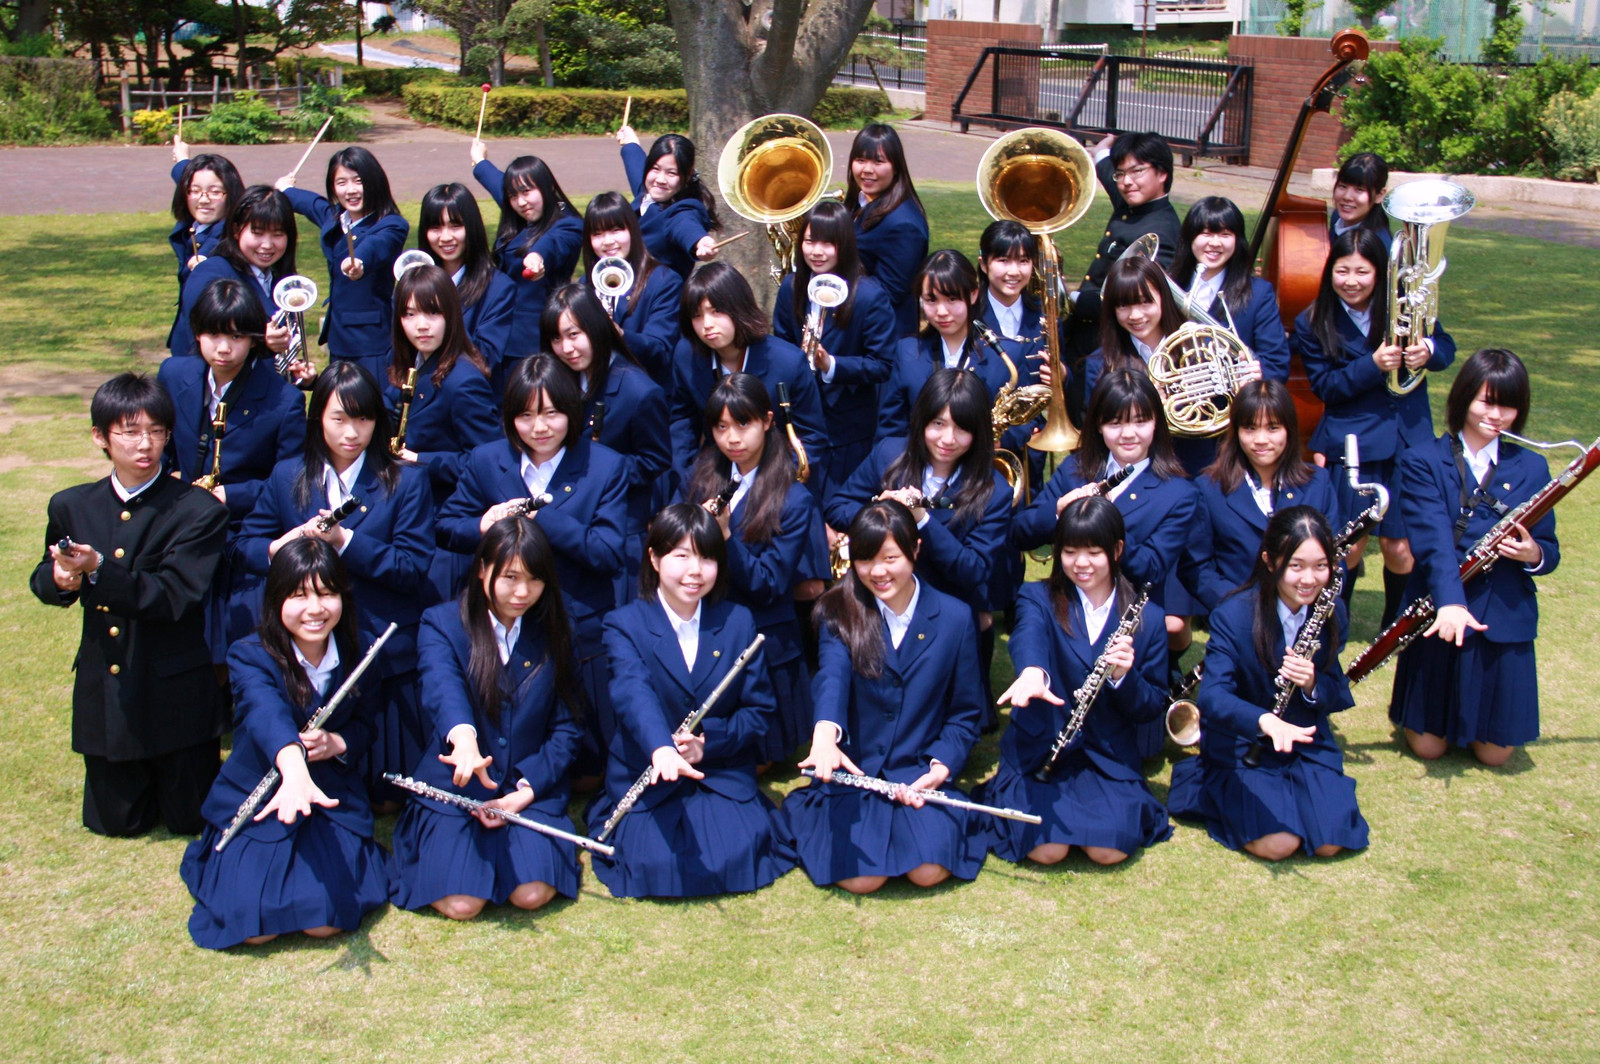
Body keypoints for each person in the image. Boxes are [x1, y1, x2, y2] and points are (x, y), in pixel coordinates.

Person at [30, 373, 229, 837]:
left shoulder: (199, 510)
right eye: (130, 432)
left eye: (157, 431)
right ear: (100, 436)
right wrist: (59, 579)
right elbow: (45, 576)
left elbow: (174, 595)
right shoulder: (71, 505)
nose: (146, 444)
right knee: (116, 824)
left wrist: (98, 568)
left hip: (175, 692)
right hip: (108, 688)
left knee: (189, 820)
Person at [236, 363, 435, 804]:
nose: (352, 432)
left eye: (363, 419)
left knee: (389, 795)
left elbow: (412, 568)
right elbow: (245, 546)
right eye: (338, 418)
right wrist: (279, 548)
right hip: (306, 648)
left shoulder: (406, 481)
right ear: (317, 419)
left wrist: (345, 540)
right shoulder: (287, 477)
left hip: (382, 651)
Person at [178, 539, 390, 948]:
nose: (315, 609)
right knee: (253, 928)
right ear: (275, 599)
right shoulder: (248, 654)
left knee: (327, 920)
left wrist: (338, 742)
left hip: (329, 793)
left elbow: (368, 726)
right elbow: (265, 714)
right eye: (299, 596)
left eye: (327, 593)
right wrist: (293, 770)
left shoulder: (361, 649)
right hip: (262, 790)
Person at [589, 504, 795, 898]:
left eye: (707, 557)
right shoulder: (624, 624)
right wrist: (661, 748)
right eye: (681, 555)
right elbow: (633, 693)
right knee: (656, 863)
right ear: (653, 557)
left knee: (735, 854)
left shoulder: (738, 621)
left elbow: (758, 712)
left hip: (717, 771)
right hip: (649, 771)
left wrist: (708, 744)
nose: (695, 570)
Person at [390, 517, 586, 918]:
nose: (522, 592)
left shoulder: (557, 630)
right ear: (482, 570)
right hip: (455, 788)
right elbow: (442, 689)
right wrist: (464, 742)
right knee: (462, 904)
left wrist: (527, 792)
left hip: (524, 787)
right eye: (510, 576)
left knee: (531, 894)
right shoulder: (441, 623)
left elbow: (567, 727)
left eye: (534, 579)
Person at [786, 500, 986, 893]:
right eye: (865, 559)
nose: (877, 571)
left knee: (927, 871)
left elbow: (965, 713)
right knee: (863, 879)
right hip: (857, 773)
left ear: (915, 550)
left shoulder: (956, 616)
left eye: (890, 557)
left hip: (917, 771)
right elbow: (832, 676)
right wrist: (825, 733)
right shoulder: (836, 611)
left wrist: (941, 768)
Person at [436, 356, 628, 756]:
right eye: (525, 416)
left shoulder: (606, 466)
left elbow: (608, 552)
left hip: (576, 621)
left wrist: (543, 516)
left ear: (572, 413)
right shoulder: (486, 460)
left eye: (551, 414)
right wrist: (482, 525)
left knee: (588, 766)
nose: (538, 428)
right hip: (503, 621)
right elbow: (446, 527)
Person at [1167, 506, 1368, 861]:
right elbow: (1213, 697)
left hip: (1304, 738)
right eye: (1296, 566)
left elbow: (1336, 688)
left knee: (1330, 841)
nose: (1309, 579)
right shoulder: (1233, 614)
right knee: (1278, 844)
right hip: (1245, 742)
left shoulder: (1332, 610)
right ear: (1270, 561)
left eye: (1321, 566)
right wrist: (1264, 720)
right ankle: (1205, 784)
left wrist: (1312, 684)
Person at [1011, 369, 1198, 749]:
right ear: (1098, 425)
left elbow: (1149, 569)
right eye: (1116, 422)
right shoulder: (1078, 469)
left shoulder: (1179, 492)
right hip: (1069, 611)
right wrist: (1061, 511)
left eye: (1140, 421)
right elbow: (1021, 531)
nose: (1128, 434)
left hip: (1129, 617)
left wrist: (1105, 519)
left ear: (1156, 425)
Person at [1389, 348, 1558, 766]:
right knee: (1429, 747)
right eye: (1487, 401)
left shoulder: (1533, 468)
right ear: (1463, 398)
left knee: (1495, 755)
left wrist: (1531, 552)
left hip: (1502, 610)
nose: (1496, 414)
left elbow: (1549, 550)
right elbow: (1432, 542)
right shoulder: (1422, 460)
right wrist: (1449, 603)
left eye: (1508, 404)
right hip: (1440, 608)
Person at [980, 497, 1171, 866]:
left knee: (1109, 850)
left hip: (1107, 755)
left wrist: (1123, 677)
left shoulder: (1149, 617)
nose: (1081, 564)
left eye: (1094, 552)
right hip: (1043, 746)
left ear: (1117, 550)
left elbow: (1151, 706)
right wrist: (1033, 671)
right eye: (1069, 552)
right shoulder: (1036, 596)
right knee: (1046, 850)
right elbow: (1027, 635)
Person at [1292, 227, 1455, 627]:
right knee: (1348, 543)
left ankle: (1394, 625)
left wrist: (1428, 350)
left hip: (1406, 438)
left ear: (1380, 273)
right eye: (1342, 271)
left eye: (1362, 272)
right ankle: (1332, 622)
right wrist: (1373, 365)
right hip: (1352, 442)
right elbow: (1326, 387)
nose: (1351, 281)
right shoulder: (1312, 321)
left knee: (1402, 545)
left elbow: (1446, 347)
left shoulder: (1402, 308)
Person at [828, 369, 1010, 712]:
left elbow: (974, 570)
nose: (948, 439)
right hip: (881, 594)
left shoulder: (994, 490)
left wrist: (923, 520)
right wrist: (881, 510)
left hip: (945, 607)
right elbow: (837, 505)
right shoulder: (889, 453)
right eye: (938, 424)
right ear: (921, 419)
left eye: (962, 428)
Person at [158, 279, 310, 658]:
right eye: (213, 335)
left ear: (255, 339)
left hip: (242, 535)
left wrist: (230, 494)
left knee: (236, 652)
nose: (223, 348)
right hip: (178, 530)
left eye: (237, 337)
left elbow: (291, 482)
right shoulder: (173, 374)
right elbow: (159, 443)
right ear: (196, 333)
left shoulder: (284, 399)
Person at [682, 374, 828, 764]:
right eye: (720, 427)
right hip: (704, 623)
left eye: (743, 424)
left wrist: (726, 537)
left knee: (750, 760)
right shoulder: (700, 476)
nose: (731, 438)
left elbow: (770, 584)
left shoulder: (795, 499)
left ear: (767, 420)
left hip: (763, 637)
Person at [541, 283, 670, 595]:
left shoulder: (639, 390)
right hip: (562, 526)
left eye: (574, 335)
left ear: (597, 329)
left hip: (616, 531)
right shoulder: (557, 380)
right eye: (557, 338)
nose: (566, 348)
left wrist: (601, 471)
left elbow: (655, 460)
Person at [668, 262, 827, 492]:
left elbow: (813, 437)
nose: (707, 325)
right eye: (697, 316)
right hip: (717, 475)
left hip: (778, 480)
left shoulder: (789, 362)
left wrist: (770, 484)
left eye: (716, 311)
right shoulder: (685, 356)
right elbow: (681, 424)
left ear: (738, 308)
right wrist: (688, 478)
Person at [771, 200, 897, 488]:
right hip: (799, 423)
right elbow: (781, 344)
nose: (816, 251)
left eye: (828, 243)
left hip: (847, 431)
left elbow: (883, 365)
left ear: (845, 245)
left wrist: (831, 365)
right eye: (809, 241)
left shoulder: (869, 296)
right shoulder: (791, 288)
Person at [1193, 380, 1342, 613]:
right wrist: (1236, 606)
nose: (1261, 439)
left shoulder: (1318, 483)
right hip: (1238, 618)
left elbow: (1334, 555)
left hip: (1305, 613)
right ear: (1236, 431)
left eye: (1272, 428)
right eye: (1250, 428)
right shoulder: (1209, 488)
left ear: (1289, 430)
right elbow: (1198, 567)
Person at [1064, 131, 1182, 421]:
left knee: (1088, 419)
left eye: (1137, 172)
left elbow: (1133, 299)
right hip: (1082, 336)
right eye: (1121, 174)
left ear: (1163, 174)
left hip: (1103, 342)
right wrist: (1102, 152)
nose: (1127, 182)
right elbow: (1111, 174)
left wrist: (1069, 297)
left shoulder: (1161, 232)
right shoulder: (1133, 202)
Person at [277, 147, 410, 384]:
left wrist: (358, 262)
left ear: (374, 181)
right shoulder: (335, 217)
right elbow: (311, 204)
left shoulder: (392, 225)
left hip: (372, 345)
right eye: (341, 183)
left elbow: (377, 246)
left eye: (358, 181)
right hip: (338, 338)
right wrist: (286, 189)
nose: (350, 190)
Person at [383, 264, 500, 512]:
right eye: (410, 314)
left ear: (451, 315)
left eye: (432, 313)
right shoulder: (409, 362)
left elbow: (487, 461)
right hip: (406, 500)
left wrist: (419, 461)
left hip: (443, 509)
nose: (421, 325)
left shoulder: (465, 381)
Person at [876, 249, 1015, 444]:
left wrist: (999, 439)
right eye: (931, 300)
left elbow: (1022, 424)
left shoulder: (1006, 353)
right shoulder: (906, 351)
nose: (941, 311)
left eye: (952, 299)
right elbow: (891, 428)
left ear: (974, 294)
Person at [469, 143, 584, 361]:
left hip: (533, 344)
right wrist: (480, 160)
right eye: (513, 196)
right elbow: (498, 184)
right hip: (497, 331)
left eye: (526, 192)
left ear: (548, 187)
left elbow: (553, 243)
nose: (521, 202)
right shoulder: (523, 212)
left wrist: (537, 256)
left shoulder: (569, 224)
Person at [169, 185, 300, 364]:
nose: (267, 245)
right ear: (237, 230)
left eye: (278, 234)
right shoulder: (210, 274)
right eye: (257, 233)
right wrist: (262, 339)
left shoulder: (281, 281)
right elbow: (199, 341)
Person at [1168, 196, 1293, 382]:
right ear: (1190, 238)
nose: (1215, 243)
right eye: (1206, 233)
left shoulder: (1259, 294)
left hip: (1234, 407)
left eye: (1225, 235)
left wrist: (1258, 372)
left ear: (1237, 241)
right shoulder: (1169, 287)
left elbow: (1277, 365)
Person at [579, 191, 684, 386]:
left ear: (633, 230)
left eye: (616, 230)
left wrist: (620, 335)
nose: (608, 241)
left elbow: (660, 349)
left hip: (644, 392)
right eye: (598, 234)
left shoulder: (664, 281)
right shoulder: (583, 285)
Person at [416, 182, 517, 376]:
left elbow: (486, 358)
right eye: (436, 227)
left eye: (455, 226)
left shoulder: (499, 288)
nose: (445, 237)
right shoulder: (413, 283)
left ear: (471, 228)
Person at [846, 124, 929, 337]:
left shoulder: (905, 226)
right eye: (860, 160)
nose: (867, 170)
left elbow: (887, 294)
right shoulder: (861, 201)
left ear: (896, 167)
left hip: (880, 339)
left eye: (878, 161)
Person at [166, 141, 244, 349]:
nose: (203, 199)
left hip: (215, 345)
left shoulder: (230, 236)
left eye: (215, 192)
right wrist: (182, 158)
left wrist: (208, 267)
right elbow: (186, 178)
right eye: (195, 191)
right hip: (183, 337)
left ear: (232, 194)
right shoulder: (194, 222)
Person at [615, 127, 721, 278]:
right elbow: (636, 165)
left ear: (688, 175)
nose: (660, 180)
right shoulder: (646, 192)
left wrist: (700, 241)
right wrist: (630, 143)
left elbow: (686, 226)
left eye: (671, 173)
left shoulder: (682, 211)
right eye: (655, 169)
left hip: (661, 299)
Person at [1330, 151, 1393, 250]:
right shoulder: (1337, 217)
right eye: (1342, 186)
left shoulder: (1377, 244)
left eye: (1359, 189)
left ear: (1379, 195)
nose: (1347, 196)